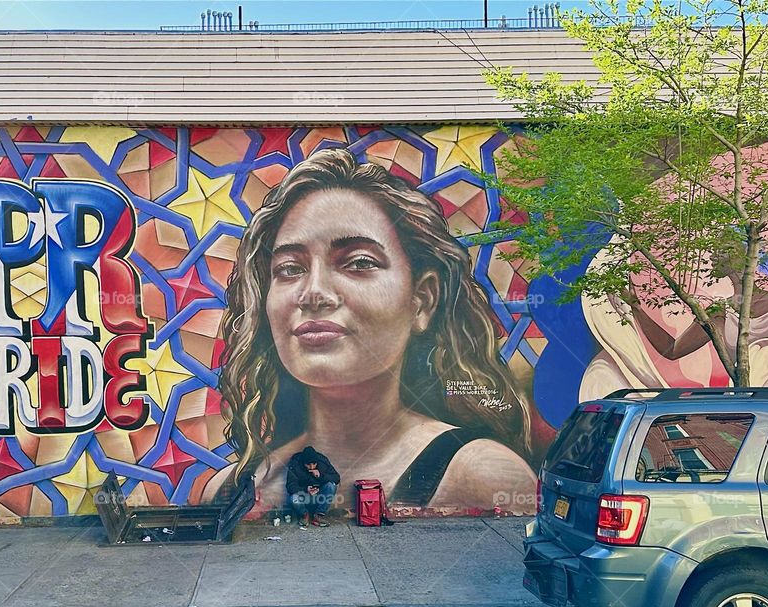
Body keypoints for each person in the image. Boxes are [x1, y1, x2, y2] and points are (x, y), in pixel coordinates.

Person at [202, 148, 536, 514]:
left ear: (422, 301)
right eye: (290, 269)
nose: (313, 293)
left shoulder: (483, 476)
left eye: (359, 263)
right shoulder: (231, 488)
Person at [286, 446, 340, 527]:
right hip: (304, 496)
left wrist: (321, 476)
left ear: (317, 462)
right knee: (293, 498)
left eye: (314, 464)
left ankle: (318, 516)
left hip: (320, 496)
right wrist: (305, 489)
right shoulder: (295, 465)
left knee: (331, 486)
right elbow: (290, 486)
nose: (311, 467)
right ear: (303, 463)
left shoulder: (323, 462)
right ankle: (304, 515)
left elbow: (336, 478)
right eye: (308, 464)